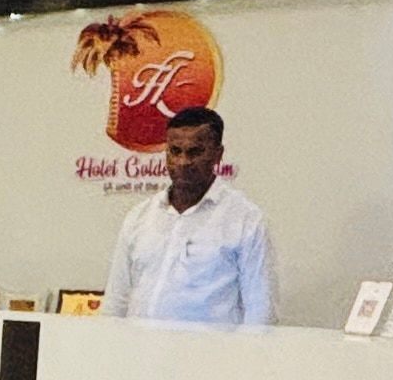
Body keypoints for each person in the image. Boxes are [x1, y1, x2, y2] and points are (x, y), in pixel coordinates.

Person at [101, 106, 275, 328]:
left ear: (218, 154)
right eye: (175, 151)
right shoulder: (140, 217)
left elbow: (261, 311)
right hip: (140, 346)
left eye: (195, 152)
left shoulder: (245, 219)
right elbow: (116, 301)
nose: (183, 162)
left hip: (210, 349)